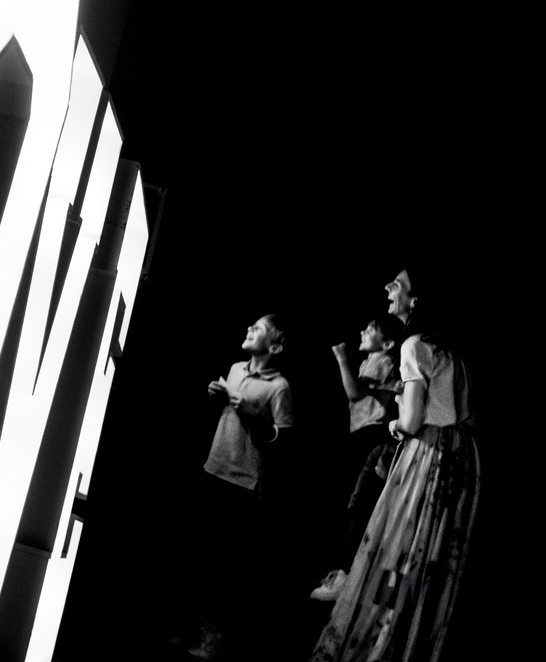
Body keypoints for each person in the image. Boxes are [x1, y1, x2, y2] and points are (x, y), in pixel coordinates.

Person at [311, 270, 479, 662]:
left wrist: (396, 424)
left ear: (416, 301)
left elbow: (411, 421)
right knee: (431, 555)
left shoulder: (416, 345)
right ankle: (412, 639)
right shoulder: (452, 351)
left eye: (397, 286)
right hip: (462, 457)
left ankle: (381, 640)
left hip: (431, 454)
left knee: (402, 549)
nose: (388, 289)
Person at [175, 315, 295, 660]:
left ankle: (216, 638)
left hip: (243, 482)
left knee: (228, 564)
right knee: (201, 554)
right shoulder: (236, 368)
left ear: (275, 346)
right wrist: (217, 396)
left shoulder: (279, 386)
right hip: (214, 468)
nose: (248, 330)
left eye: (257, 329)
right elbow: (227, 413)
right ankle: (191, 628)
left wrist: (256, 415)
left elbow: (283, 440)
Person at [310, 312, 406, 601]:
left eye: (371, 329)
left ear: (387, 342)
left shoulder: (383, 362)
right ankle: (349, 574)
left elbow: (353, 393)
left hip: (374, 436)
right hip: (363, 435)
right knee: (353, 505)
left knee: (359, 505)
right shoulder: (370, 362)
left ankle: (348, 576)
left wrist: (341, 358)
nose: (363, 331)